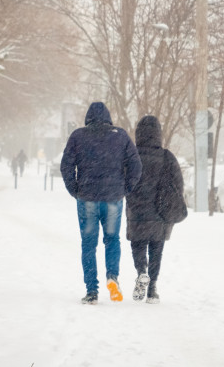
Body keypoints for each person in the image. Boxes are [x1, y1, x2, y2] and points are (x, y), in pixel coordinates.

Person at [61, 102, 142, 305]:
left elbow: (66, 166)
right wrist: (125, 188)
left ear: (88, 117)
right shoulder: (120, 136)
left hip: (87, 197)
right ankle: (112, 277)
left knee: (89, 244)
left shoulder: (78, 136)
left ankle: (91, 291)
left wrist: (75, 189)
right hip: (113, 198)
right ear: (108, 117)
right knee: (112, 240)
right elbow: (136, 165)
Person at [125, 115, 184, 304]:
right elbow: (178, 184)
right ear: (158, 134)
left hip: (137, 211)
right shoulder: (167, 156)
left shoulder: (131, 155)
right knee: (157, 250)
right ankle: (152, 290)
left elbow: (123, 180)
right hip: (160, 212)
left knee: (138, 245)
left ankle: (141, 272)